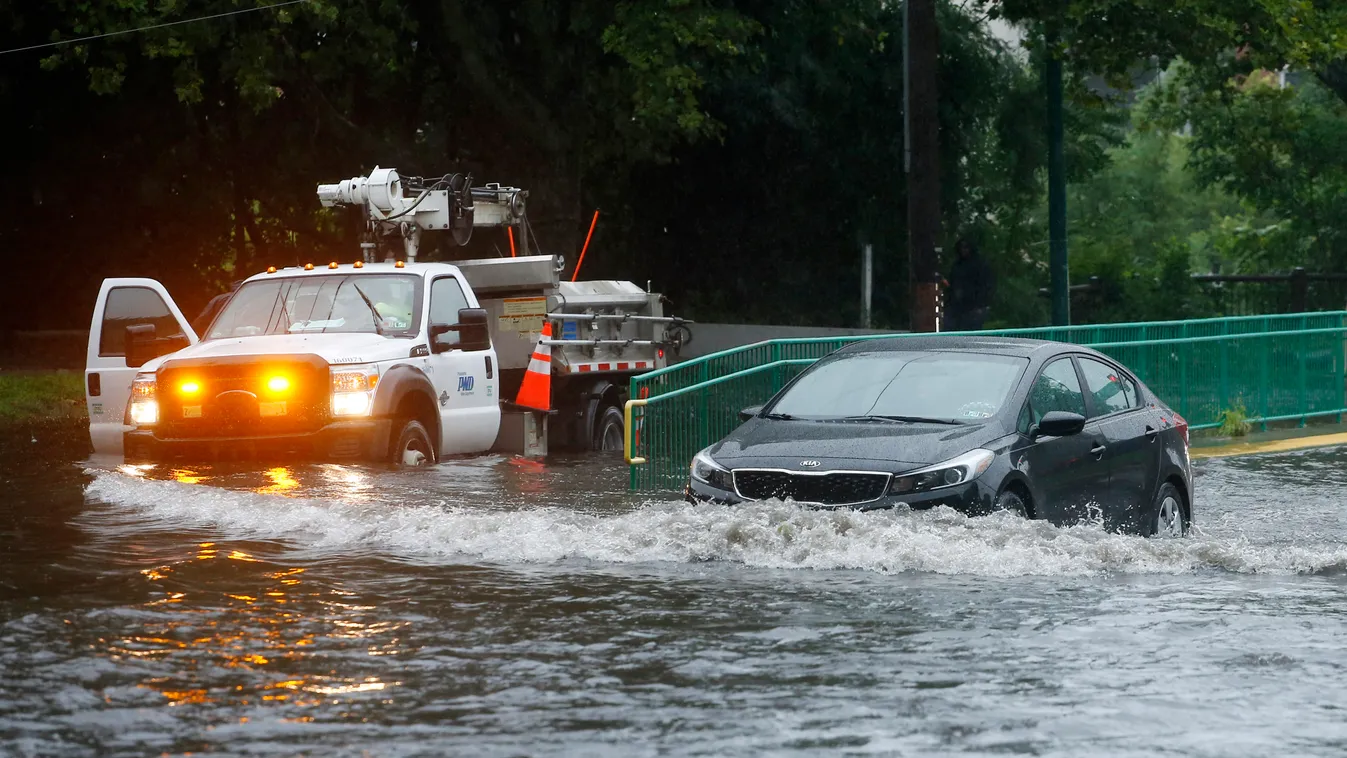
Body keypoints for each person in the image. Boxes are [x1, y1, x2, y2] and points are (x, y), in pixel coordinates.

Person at [944, 238, 993, 331]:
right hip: (957, 307)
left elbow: (986, 286)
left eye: (966, 247)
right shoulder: (957, 265)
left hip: (975, 307)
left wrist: (981, 305)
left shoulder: (980, 265)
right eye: (961, 247)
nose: (963, 250)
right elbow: (952, 284)